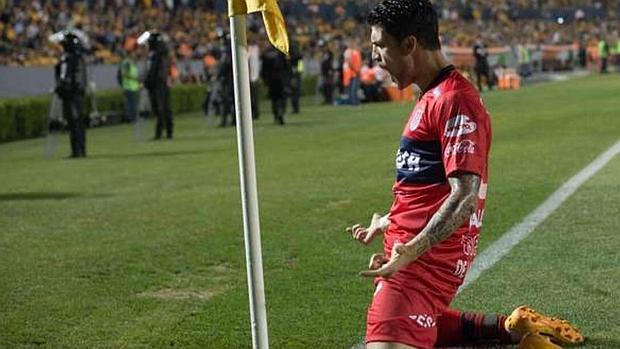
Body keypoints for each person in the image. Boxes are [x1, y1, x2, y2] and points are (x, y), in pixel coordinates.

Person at [346, 2, 584, 348]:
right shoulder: (431, 96)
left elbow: (464, 197)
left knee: (393, 329)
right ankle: (509, 328)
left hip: (421, 268)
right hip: (409, 265)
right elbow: (425, 186)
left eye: (380, 46)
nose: (374, 57)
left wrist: (412, 248)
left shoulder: (455, 99)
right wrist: (389, 221)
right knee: (423, 323)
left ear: (410, 45)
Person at [53, 31, 87, 158]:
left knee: (74, 123)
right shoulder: (79, 59)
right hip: (77, 94)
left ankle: (76, 151)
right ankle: (81, 150)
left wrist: (61, 88)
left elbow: (65, 78)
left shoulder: (68, 59)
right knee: (78, 123)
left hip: (71, 95)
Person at [141, 30, 174, 139]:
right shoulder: (163, 54)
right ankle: (167, 131)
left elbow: (154, 71)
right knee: (164, 108)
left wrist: (147, 82)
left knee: (160, 108)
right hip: (161, 83)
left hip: (158, 84)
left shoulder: (157, 55)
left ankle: (160, 132)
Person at [261, 44, 289, 125]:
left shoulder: (266, 54)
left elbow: (264, 69)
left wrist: (265, 80)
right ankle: (281, 113)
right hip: (280, 80)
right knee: (282, 98)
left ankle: (276, 115)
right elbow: (286, 67)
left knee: (274, 100)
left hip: (271, 80)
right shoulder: (281, 52)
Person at [118, 48, 139, 123]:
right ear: (130, 54)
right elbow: (125, 74)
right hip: (129, 87)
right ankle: (132, 119)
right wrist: (135, 78)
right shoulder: (127, 63)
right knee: (131, 104)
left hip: (133, 87)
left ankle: (133, 118)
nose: (134, 55)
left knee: (133, 104)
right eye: (133, 53)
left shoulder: (132, 62)